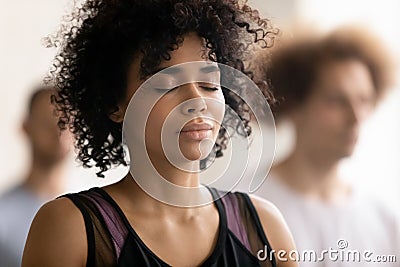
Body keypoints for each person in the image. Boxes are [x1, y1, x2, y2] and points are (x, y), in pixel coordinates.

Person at [22, 1, 298, 266]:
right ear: (114, 104)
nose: (196, 101)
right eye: (167, 85)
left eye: (210, 85)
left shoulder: (264, 226)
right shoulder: (71, 229)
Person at [254, 27, 400, 266]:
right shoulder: (247, 207)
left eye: (364, 100)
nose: (356, 117)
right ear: (294, 104)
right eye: (337, 100)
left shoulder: (384, 219)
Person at [0, 86, 71, 267]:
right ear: (26, 127)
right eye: (47, 123)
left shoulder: (96, 209)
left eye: (65, 123)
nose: (58, 133)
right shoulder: (4, 214)